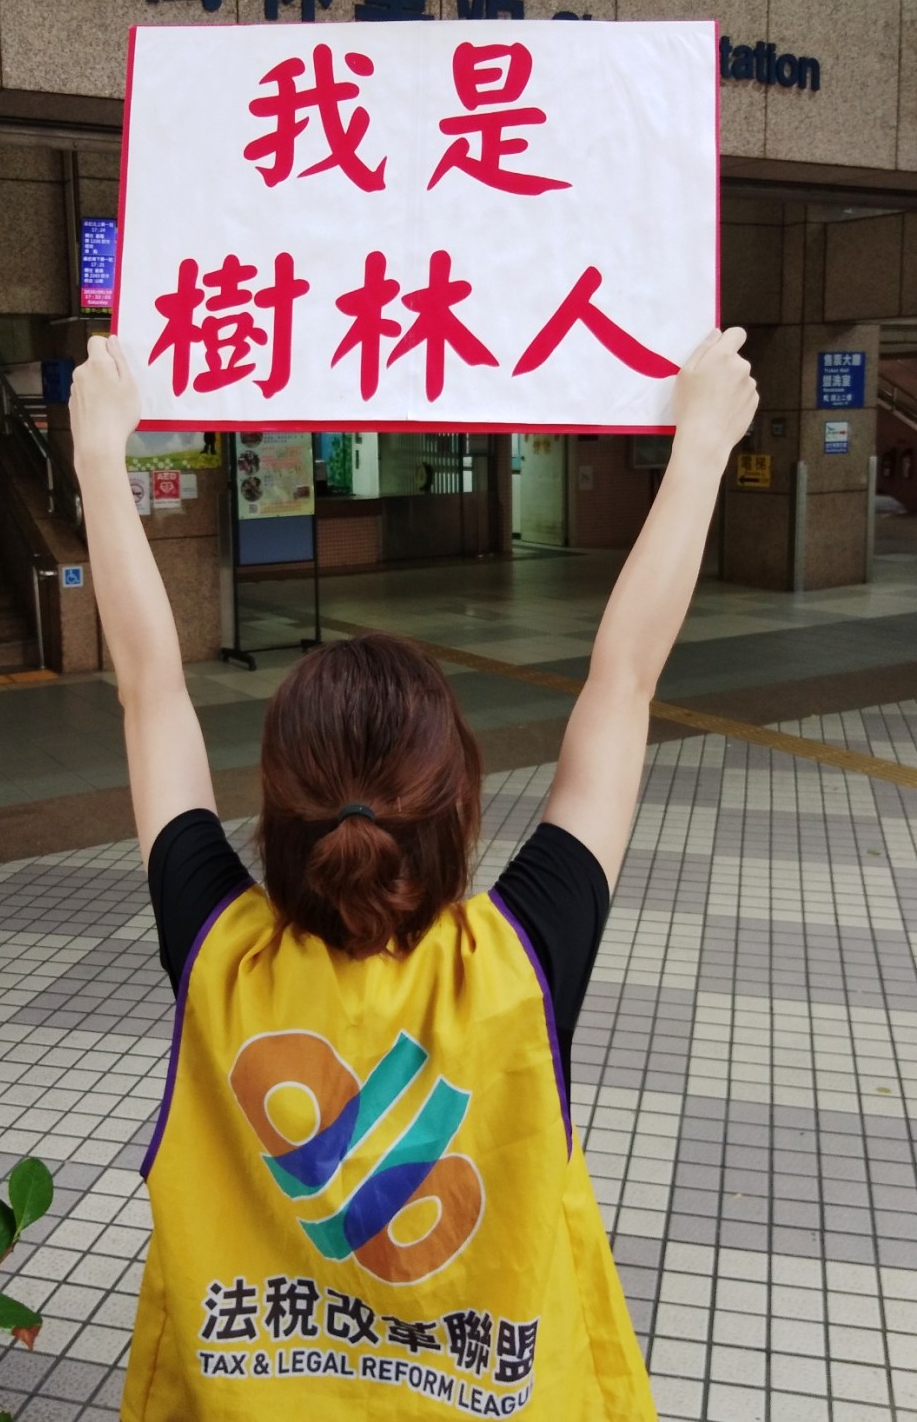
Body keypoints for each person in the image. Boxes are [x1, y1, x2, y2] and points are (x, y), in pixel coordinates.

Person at [71, 327, 757, 1422]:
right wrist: (705, 445)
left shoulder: (218, 957)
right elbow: (624, 680)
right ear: (459, 808)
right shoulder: (518, 964)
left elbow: (149, 689)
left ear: (277, 818)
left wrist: (100, 458)